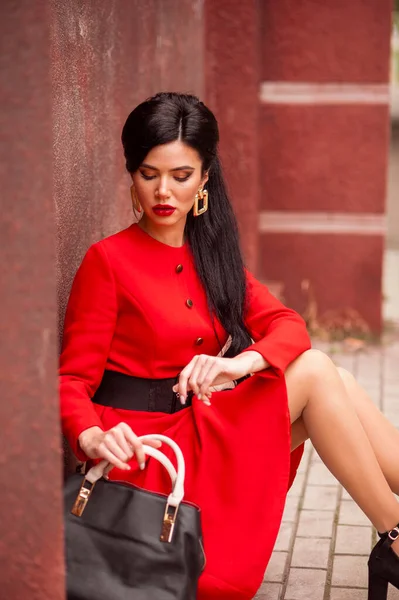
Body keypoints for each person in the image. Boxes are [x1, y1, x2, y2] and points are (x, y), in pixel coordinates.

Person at [60, 92, 399, 600]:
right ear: (132, 175)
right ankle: (395, 537)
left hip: (201, 431)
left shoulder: (210, 258)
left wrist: (240, 364)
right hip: (150, 458)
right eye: (149, 174)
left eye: (180, 175)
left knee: (335, 380)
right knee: (316, 373)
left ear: (204, 180)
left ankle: (395, 537)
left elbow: (287, 324)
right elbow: (71, 380)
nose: (163, 191)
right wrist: (88, 435)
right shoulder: (107, 261)